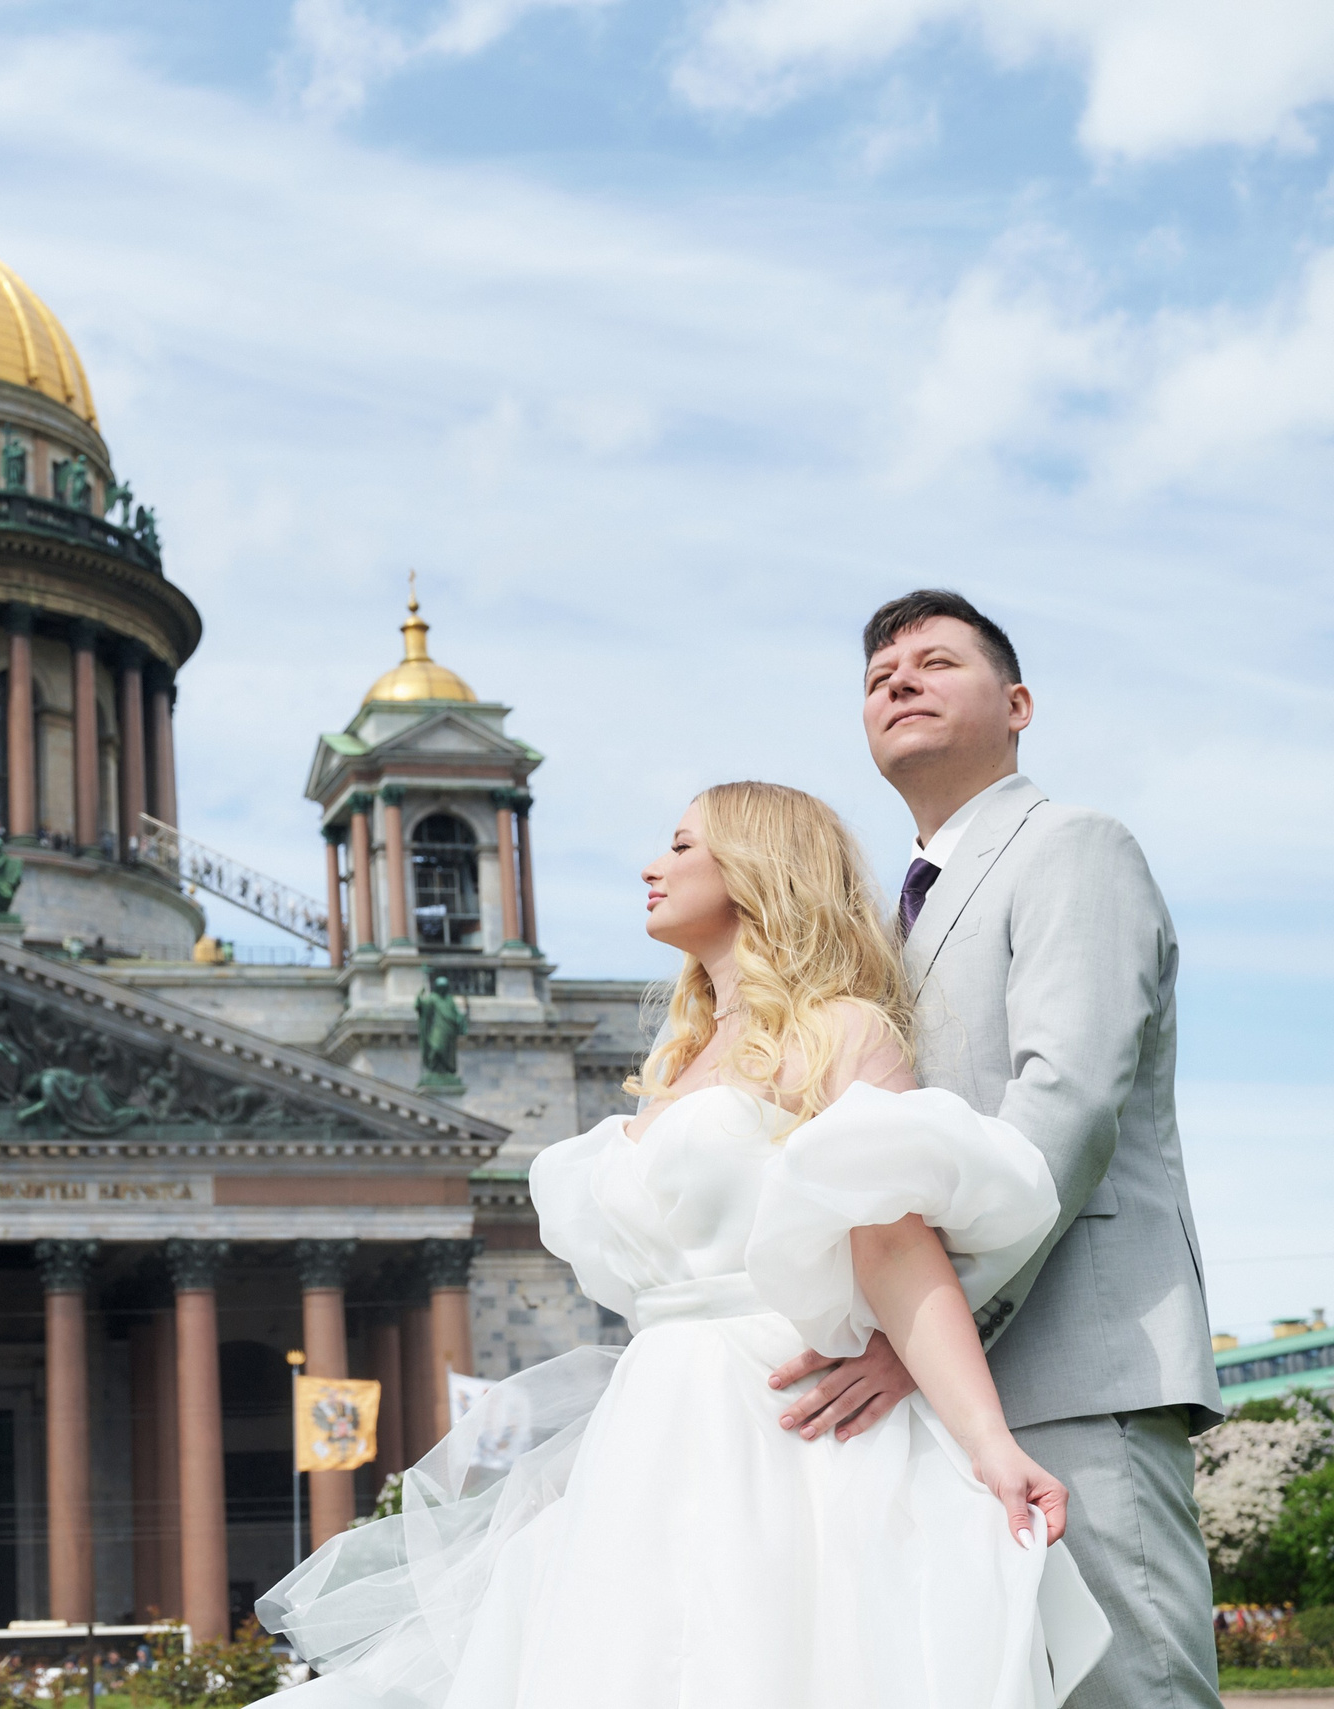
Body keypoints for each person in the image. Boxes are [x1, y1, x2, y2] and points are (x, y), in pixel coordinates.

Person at [258, 781, 1110, 1707]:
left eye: (680, 845)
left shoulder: (840, 1029)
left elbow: (897, 1249)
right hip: (649, 1426)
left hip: (778, 1421)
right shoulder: (679, 1057)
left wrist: (991, 1445)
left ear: (754, 869)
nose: (650, 867)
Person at [764, 590, 1222, 1707]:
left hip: (1076, 1361)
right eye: (879, 678)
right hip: (941, 1394)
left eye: (934, 662)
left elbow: (1066, 1100)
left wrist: (930, 1330)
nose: (898, 683)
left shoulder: (1072, 845)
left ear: (1015, 706)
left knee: (1130, 1687)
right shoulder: (887, 923)